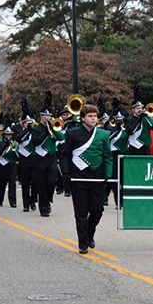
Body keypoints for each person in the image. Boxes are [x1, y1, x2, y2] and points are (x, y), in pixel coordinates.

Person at [59, 104, 113, 254]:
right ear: (82, 118)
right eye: (90, 116)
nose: (93, 118)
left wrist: (108, 174)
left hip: (98, 179)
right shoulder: (72, 134)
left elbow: (107, 157)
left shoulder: (103, 135)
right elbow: (64, 155)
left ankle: (89, 234)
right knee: (81, 213)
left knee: (97, 211)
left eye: (95, 116)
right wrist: (66, 174)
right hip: (79, 179)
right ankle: (83, 242)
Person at [0, 127, 18, 208]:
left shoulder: (15, 144)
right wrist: (5, 145)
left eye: (10, 135)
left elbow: (18, 156)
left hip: (11, 165)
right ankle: (0, 200)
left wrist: (15, 150)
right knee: (2, 183)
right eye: (7, 135)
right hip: (2, 165)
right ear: (4, 135)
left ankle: (13, 201)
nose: (8, 136)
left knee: (12, 183)